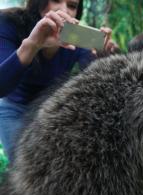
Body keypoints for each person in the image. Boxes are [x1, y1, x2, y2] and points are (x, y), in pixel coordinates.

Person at [0, 0, 118, 162]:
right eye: (55, 0)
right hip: (14, 109)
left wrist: (105, 59)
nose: (63, 10)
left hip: (51, 111)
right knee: (24, 168)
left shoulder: (78, 40)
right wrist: (33, 45)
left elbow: (99, 90)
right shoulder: (9, 23)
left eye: (72, 5)